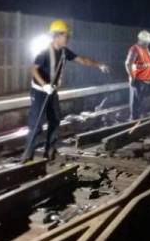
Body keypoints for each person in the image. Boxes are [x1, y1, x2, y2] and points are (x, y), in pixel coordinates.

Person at [22, 20, 110, 161]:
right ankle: (28, 154)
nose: (68, 38)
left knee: (55, 120)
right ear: (57, 36)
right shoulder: (45, 52)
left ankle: (50, 150)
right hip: (40, 91)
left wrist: (98, 65)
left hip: (52, 91)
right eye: (66, 36)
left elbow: (81, 60)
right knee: (36, 123)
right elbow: (33, 69)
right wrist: (44, 85)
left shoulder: (64, 52)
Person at [125, 30, 150, 120]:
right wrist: (132, 76)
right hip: (138, 80)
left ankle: (138, 118)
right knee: (136, 103)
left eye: (148, 43)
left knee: (140, 102)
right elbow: (128, 63)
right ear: (140, 40)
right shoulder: (135, 49)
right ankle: (134, 120)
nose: (147, 44)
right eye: (145, 42)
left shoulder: (145, 49)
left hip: (145, 80)